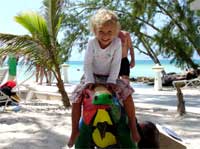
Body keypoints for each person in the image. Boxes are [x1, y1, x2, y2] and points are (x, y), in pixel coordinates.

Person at [68, 8, 140, 148]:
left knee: (127, 94)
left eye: (109, 32)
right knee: (76, 98)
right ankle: (75, 130)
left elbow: (116, 63)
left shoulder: (117, 43)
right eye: (101, 31)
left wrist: (112, 81)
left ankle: (132, 125)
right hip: (92, 76)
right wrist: (89, 80)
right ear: (95, 30)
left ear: (115, 32)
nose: (105, 36)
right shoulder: (92, 43)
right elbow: (87, 63)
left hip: (109, 76)